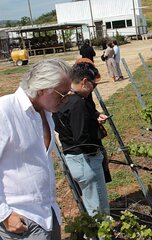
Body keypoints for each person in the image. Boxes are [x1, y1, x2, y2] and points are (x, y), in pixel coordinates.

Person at [0, 59, 72, 240]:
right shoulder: (5, 111)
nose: (65, 100)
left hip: (48, 214)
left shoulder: (47, 114)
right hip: (21, 219)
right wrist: (4, 215)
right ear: (41, 89)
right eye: (61, 94)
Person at [53, 63, 110, 216]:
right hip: (86, 160)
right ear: (84, 81)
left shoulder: (61, 99)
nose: (92, 89)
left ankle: (93, 233)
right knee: (99, 209)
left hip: (73, 157)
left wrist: (94, 116)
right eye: (92, 85)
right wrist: (96, 153)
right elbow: (81, 137)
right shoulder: (77, 103)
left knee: (90, 203)